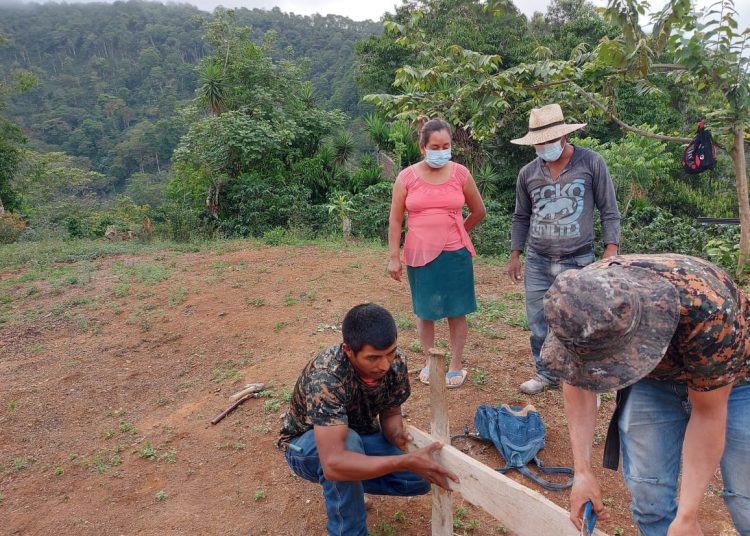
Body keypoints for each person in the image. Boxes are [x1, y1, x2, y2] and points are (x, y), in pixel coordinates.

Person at [539, 254, 750, 535]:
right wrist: (582, 472)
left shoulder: (706, 306)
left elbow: (708, 412)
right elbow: (576, 380)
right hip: (654, 381)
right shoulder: (573, 304)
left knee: (744, 497)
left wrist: (687, 516)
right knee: (649, 493)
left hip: (734, 379)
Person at [279, 303, 459, 536]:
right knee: (346, 452)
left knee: (421, 476)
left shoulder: (395, 362)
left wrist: (397, 434)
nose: (384, 365)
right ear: (348, 350)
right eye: (373, 357)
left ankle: (352, 481)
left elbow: (391, 413)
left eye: (390, 352)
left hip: (358, 438)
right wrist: (404, 461)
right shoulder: (327, 376)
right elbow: (333, 463)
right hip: (306, 448)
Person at [508, 103, 621, 395]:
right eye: (539, 143)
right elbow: (521, 216)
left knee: (580, 320)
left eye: (549, 141)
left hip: (579, 258)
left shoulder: (591, 163)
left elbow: (609, 210)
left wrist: (611, 249)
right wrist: (515, 252)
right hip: (538, 260)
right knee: (538, 320)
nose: (544, 147)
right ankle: (546, 373)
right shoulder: (528, 173)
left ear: (564, 136)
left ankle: (581, 379)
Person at [388, 118, 486, 388]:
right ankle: (430, 362)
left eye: (446, 146)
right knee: (426, 311)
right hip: (419, 254)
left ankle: (455, 365)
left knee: (457, 310)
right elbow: (395, 219)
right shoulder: (406, 177)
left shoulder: (460, 174)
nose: (441, 151)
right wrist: (394, 257)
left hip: (455, 255)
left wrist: (458, 231)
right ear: (422, 148)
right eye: (435, 147)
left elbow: (479, 211)